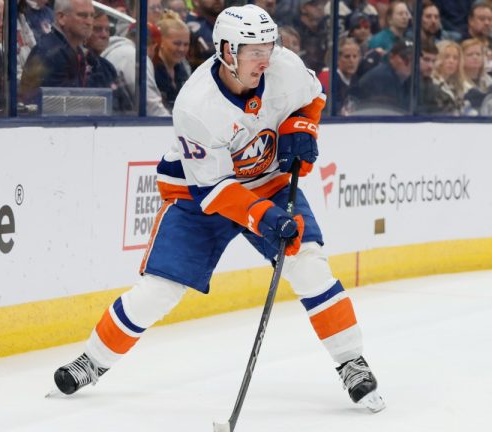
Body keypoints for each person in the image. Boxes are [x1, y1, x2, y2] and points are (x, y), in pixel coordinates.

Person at [51, 4, 386, 414]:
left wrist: (302, 127)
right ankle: (94, 359)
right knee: (159, 291)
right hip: (199, 196)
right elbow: (213, 190)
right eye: (252, 50)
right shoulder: (196, 105)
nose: (265, 58)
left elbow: (312, 98)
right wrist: (264, 217)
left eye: (268, 46)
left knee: (309, 264)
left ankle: (351, 361)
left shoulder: (284, 67)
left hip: (268, 181)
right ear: (227, 51)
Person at [102, 21, 171, 116]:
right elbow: (151, 106)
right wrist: (171, 126)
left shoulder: (115, 50)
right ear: (154, 47)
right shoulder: (134, 56)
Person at [153, 11, 191, 109]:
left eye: (186, 44)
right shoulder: (151, 69)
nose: (182, 49)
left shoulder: (184, 69)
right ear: (161, 41)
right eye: (177, 43)